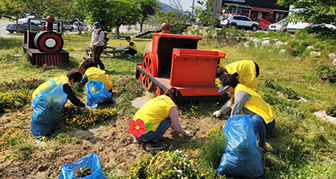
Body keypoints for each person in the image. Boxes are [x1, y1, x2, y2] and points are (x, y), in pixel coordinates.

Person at [215, 74, 275, 152]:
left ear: (230, 87)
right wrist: (220, 111)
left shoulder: (241, 92)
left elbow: (236, 111)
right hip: (257, 121)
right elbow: (230, 103)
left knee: (255, 119)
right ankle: (255, 134)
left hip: (267, 123)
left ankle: (261, 146)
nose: (227, 92)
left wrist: (229, 125)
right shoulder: (238, 90)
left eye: (226, 90)